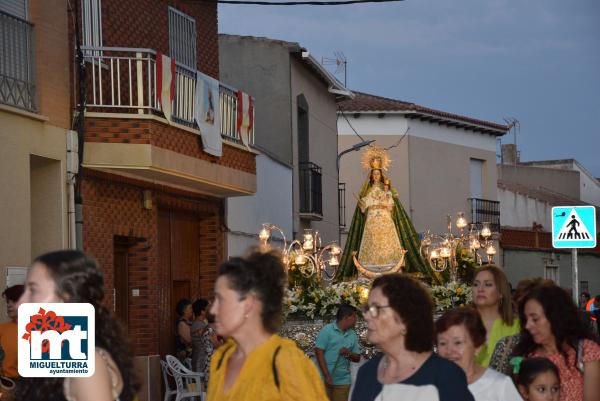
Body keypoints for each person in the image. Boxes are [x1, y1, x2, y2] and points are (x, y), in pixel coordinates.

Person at [14, 250, 139, 401]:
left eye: (33, 290)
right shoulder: (56, 352)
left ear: (66, 298)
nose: (20, 302)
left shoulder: (88, 362)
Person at [206, 249, 328, 401]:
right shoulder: (220, 359)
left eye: (221, 299)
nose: (213, 309)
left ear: (248, 304)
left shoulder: (284, 360)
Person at [351, 273, 474, 401]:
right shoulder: (367, 372)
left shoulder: (445, 375)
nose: (366, 316)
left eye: (376, 308)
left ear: (405, 317)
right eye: (367, 308)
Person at [336, 146, 432, 281]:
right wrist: (362, 204)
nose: (376, 176)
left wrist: (386, 199)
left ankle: (392, 263)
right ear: (371, 175)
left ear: (381, 174)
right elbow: (364, 207)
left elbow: (392, 205)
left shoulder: (387, 190)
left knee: (388, 243)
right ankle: (369, 266)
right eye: (374, 174)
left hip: (385, 220)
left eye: (378, 174)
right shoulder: (368, 191)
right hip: (371, 222)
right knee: (371, 242)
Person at [513, 283, 600, 401]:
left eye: (535, 319)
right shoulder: (525, 356)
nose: (528, 325)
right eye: (526, 319)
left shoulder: (586, 351)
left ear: (554, 316)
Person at [436, 307, 522, 401]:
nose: (449, 351)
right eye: (443, 343)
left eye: (458, 343)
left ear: (477, 347)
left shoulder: (499, 385)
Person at [489, 278, 553, 376]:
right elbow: (493, 385)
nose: (528, 323)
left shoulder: (572, 349)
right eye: (521, 309)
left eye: (534, 316)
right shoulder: (506, 346)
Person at [472, 265, 520, 367]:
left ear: (501, 292)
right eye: (476, 284)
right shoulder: (461, 324)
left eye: (488, 285)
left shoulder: (517, 326)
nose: (480, 289)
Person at [315, 304, 361, 401]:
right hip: (323, 379)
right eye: (354, 317)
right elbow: (319, 352)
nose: (356, 320)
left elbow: (357, 358)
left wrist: (348, 353)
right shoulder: (327, 330)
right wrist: (326, 375)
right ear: (346, 317)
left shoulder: (352, 334)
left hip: (343, 381)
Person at [0, 285, 24, 381]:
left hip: (27, 387)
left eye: (14, 301)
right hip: (4, 384)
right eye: (7, 302)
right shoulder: (2, 329)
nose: (9, 305)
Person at [191, 298, 209, 373]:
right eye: (208, 308)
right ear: (202, 311)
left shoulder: (198, 323)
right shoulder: (200, 325)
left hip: (198, 358)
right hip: (201, 362)